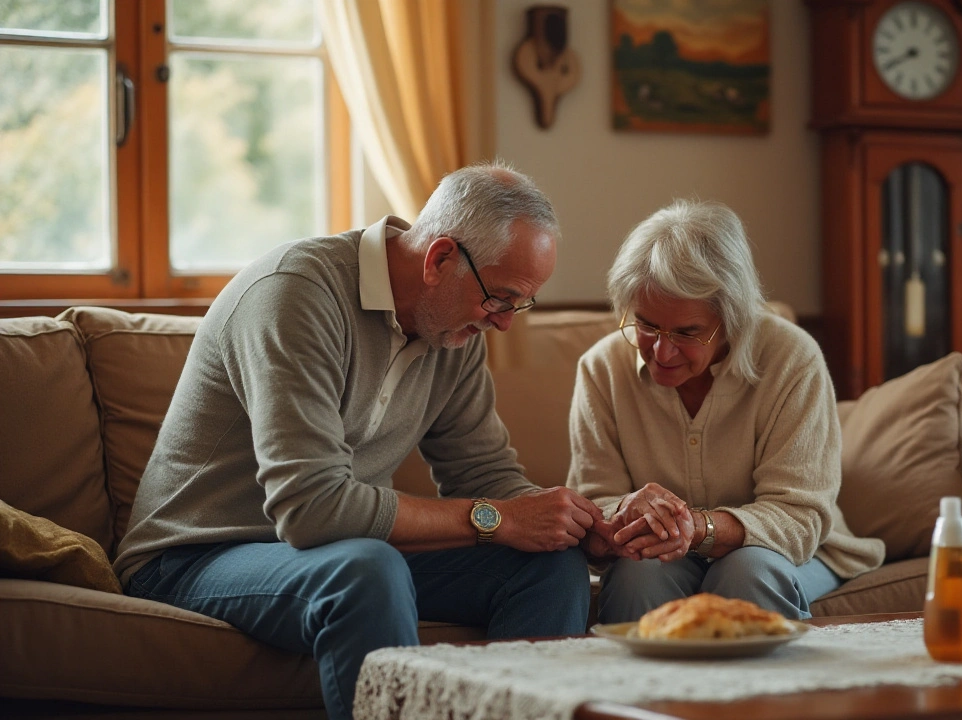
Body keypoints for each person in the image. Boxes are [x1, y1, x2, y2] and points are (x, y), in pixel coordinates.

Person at [114, 161, 611, 720]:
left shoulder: (454, 330)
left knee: (549, 566)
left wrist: (577, 524)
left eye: (519, 305)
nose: (504, 324)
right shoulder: (297, 295)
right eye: (500, 299)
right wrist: (497, 519)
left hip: (338, 549)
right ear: (441, 258)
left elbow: (487, 476)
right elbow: (312, 509)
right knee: (366, 570)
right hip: (197, 553)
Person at [567, 199, 886, 623]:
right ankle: (634, 690)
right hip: (659, 556)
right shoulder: (601, 369)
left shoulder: (792, 359)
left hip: (787, 553)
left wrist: (698, 528)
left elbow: (798, 515)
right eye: (645, 324)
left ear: (732, 318)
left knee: (746, 571)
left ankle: (764, 693)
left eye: (687, 331)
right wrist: (625, 515)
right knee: (637, 574)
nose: (661, 351)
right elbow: (594, 501)